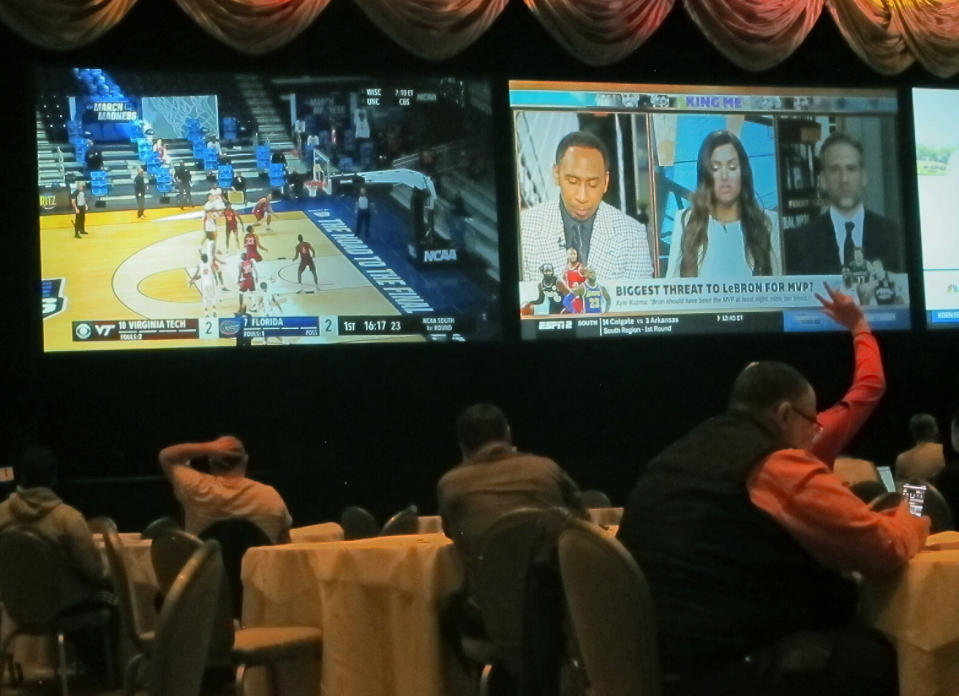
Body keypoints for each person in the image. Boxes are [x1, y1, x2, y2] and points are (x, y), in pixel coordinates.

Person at [617, 284, 928, 696]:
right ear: (784, 415)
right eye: (810, 421)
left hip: (646, 662)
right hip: (716, 669)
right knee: (872, 654)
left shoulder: (676, 454)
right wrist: (913, 510)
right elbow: (885, 548)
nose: (816, 431)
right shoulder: (775, 462)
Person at [0, 448, 116, 681]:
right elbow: (94, 571)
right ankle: (109, 675)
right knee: (112, 600)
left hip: (15, 608)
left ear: (21, 476)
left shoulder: (1, 514)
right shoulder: (67, 518)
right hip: (63, 608)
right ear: (53, 477)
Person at [520, 130, 653, 281]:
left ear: (606, 182)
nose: (582, 197)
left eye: (593, 184)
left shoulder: (633, 235)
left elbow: (636, 304)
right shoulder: (524, 229)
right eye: (573, 182)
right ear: (556, 174)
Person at [666, 129, 781, 278]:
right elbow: (672, 289)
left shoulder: (768, 222)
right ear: (706, 175)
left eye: (732, 167)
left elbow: (780, 290)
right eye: (715, 168)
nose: (725, 176)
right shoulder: (686, 220)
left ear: (743, 172)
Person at [784, 132, 903, 275]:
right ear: (822, 180)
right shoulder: (799, 242)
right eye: (835, 170)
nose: (844, 179)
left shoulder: (894, 236)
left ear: (864, 177)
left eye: (851, 169)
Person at [158, 436, 292, 543]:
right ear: (245, 460)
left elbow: (166, 456)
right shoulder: (270, 495)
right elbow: (283, 545)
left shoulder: (196, 488)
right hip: (256, 575)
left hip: (207, 576)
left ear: (211, 461)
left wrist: (209, 447)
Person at [895, 413, 946, 481]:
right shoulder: (945, 451)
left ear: (912, 431)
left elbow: (899, 486)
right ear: (931, 430)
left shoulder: (901, 459)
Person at [190, 252, 219, 317]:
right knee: (212, 296)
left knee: (205, 298)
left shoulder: (199, 265)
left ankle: (206, 313)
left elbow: (196, 274)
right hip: (210, 282)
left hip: (204, 283)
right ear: (207, 258)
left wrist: (192, 280)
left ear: (201, 259)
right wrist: (216, 280)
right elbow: (214, 273)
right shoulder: (210, 264)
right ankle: (214, 311)